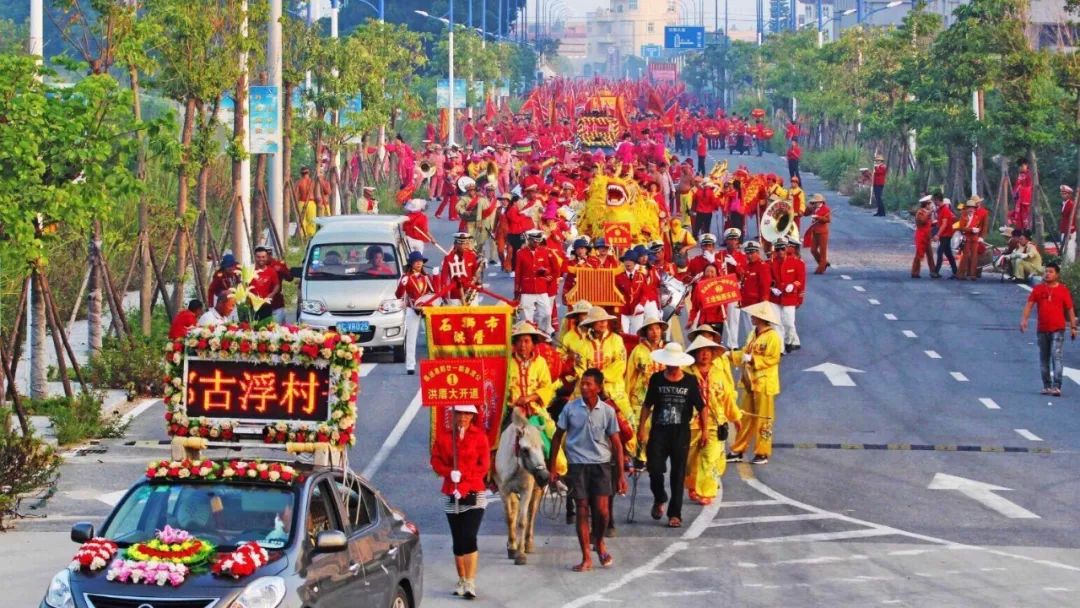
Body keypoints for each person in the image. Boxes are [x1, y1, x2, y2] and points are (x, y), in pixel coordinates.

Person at [548, 368, 627, 572]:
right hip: (577, 465)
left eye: (588, 384)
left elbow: (617, 444)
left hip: (601, 465)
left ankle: (599, 542)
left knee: (602, 512)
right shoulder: (570, 409)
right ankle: (586, 557)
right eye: (582, 383)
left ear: (598, 388)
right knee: (582, 509)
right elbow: (557, 437)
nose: (583, 387)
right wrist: (553, 466)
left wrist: (620, 476)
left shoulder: (608, 411)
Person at [637, 342, 704, 528]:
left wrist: (705, 430)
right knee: (654, 469)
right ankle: (660, 497)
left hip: (681, 433)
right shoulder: (657, 379)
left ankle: (675, 514)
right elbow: (647, 405)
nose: (672, 366)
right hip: (659, 431)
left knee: (678, 474)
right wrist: (641, 428)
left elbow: (701, 407)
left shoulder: (690, 381)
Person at [430, 404, 490, 599]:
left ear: (473, 416)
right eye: (459, 413)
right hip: (451, 491)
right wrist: (449, 472)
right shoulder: (445, 437)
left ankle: (471, 582)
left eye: (467, 414)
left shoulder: (480, 437)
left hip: (473, 492)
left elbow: (484, 465)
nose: (463, 417)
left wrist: (463, 477)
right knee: (457, 539)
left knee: (469, 536)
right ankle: (462, 579)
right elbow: (436, 460)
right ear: (453, 415)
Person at [684, 336, 742, 505]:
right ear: (695, 354)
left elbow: (727, 399)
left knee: (709, 458)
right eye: (701, 352)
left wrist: (736, 418)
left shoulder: (718, 374)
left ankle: (706, 491)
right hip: (691, 423)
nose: (704, 355)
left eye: (708, 352)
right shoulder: (686, 373)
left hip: (715, 423)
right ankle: (692, 486)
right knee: (691, 459)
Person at [727, 302, 783, 465]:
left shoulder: (772, 336)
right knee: (746, 418)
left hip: (764, 384)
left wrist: (754, 360)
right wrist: (730, 355)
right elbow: (745, 352)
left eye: (754, 316)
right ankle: (738, 449)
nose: (751, 317)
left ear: (761, 318)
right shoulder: (753, 333)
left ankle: (762, 452)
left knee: (763, 419)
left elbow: (774, 358)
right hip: (750, 382)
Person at [1020, 263, 1077, 397]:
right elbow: (1029, 305)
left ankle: (1057, 386)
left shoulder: (1063, 290)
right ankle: (1046, 385)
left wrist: (1073, 327)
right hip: (1042, 328)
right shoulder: (1038, 289)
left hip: (1058, 328)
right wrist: (1024, 320)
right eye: (1046, 272)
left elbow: (1070, 309)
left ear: (1057, 275)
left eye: (1051, 272)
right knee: (1044, 358)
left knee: (1056, 356)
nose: (1047, 274)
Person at [625, 317, 667, 435]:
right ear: (645, 332)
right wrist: (626, 401)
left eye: (657, 328)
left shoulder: (668, 350)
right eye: (651, 329)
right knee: (641, 434)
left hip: (663, 400)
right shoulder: (638, 351)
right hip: (641, 401)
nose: (655, 332)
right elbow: (630, 377)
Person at [395, 251, 433, 375]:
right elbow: (398, 295)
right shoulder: (406, 277)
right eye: (416, 262)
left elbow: (434, 293)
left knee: (431, 337)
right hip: (412, 310)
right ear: (411, 264)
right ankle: (410, 365)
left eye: (421, 261)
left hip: (426, 310)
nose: (419, 264)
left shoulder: (426, 277)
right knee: (411, 338)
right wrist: (402, 284)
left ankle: (432, 362)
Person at [515, 229, 560, 331]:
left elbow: (549, 267)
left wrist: (546, 272)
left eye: (538, 241)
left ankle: (542, 330)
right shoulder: (520, 253)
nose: (537, 243)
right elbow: (518, 273)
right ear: (529, 240)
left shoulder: (544, 252)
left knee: (547, 313)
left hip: (541, 288)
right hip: (527, 289)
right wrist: (517, 291)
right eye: (534, 241)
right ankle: (530, 334)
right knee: (527, 316)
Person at [776, 238, 806, 352]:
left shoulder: (798, 262)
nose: (788, 249)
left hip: (791, 297)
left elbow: (801, 281)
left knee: (788, 322)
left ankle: (790, 341)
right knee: (783, 322)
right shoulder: (776, 261)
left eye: (789, 247)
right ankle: (792, 342)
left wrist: (799, 298)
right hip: (779, 296)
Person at [439, 233, 480, 305]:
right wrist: (444, 294)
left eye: (466, 243)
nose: (464, 246)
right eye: (461, 244)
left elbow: (475, 273)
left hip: (470, 292)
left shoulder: (472, 256)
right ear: (455, 245)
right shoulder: (448, 258)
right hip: (455, 293)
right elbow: (443, 278)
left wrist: (477, 278)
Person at [249, 246, 281, 320]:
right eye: (258, 257)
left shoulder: (271, 271)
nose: (261, 259)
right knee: (250, 328)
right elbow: (244, 285)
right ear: (255, 257)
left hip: (266, 304)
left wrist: (272, 294)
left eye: (263, 257)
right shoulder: (250, 270)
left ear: (267, 257)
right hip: (252, 305)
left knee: (266, 328)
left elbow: (277, 285)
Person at [804, 194, 830, 275]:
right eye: (814, 202)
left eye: (816, 202)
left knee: (823, 251)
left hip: (822, 232)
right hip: (815, 231)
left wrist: (818, 217)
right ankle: (823, 263)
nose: (815, 203)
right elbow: (805, 214)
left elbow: (827, 220)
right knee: (813, 250)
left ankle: (821, 268)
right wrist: (808, 206)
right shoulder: (813, 208)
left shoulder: (826, 209)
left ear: (821, 201)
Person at [933, 195, 957, 279]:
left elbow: (944, 224)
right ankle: (955, 271)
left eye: (935, 201)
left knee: (940, 252)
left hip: (946, 235)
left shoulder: (945, 210)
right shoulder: (941, 210)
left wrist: (937, 234)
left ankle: (936, 272)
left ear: (939, 200)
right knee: (948, 253)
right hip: (945, 234)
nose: (934, 203)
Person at [912, 195, 935, 279]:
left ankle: (933, 271)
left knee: (930, 254)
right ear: (927, 204)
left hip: (927, 236)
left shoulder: (926, 212)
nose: (931, 206)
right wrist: (929, 213)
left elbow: (928, 223)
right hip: (921, 235)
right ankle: (915, 272)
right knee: (919, 254)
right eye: (930, 204)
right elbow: (922, 221)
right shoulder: (920, 212)